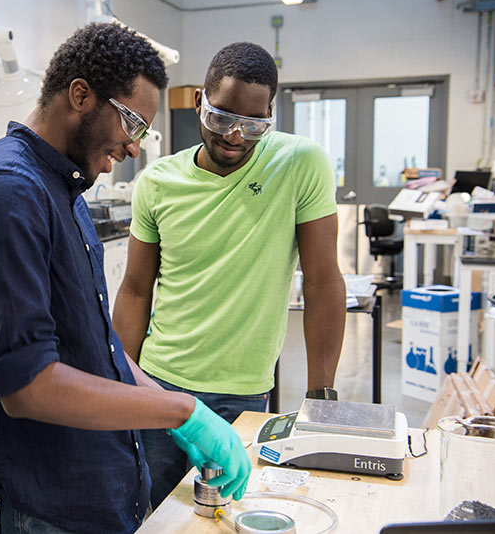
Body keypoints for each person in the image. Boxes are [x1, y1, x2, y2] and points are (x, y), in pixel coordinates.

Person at [0, 22, 251, 534]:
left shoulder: (63, 185)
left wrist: (173, 410)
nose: (134, 147)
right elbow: (29, 386)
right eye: (132, 123)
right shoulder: (8, 192)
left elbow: (98, 345)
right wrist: (182, 413)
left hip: (94, 480)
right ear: (81, 95)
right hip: (48, 499)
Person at [113, 41, 347, 508]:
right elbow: (136, 291)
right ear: (199, 100)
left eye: (254, 124)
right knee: (151, 513)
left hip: (242, 392)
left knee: (227, 513)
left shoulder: (300, 164)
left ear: (270, 115)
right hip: (161, 384)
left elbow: (323, 282)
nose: (236, 136)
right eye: (222, 118)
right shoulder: (157, 182)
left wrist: (321, 397)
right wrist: (121, 384)